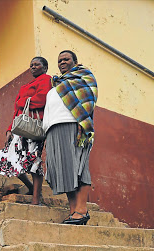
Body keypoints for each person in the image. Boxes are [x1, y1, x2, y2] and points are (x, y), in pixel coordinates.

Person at [0, 57, 52, 205]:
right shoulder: (25, 86)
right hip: (20, 128)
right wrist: (9, 129)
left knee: (34, 161)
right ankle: (31, 187)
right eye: (31, 65)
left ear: (45, 68)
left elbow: (41, 99)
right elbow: (17, 111)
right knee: (10, 160)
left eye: (36, 64)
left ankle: (36, 199)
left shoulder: (47, 79)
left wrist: (22, 102)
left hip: (34, 127)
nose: (33, 67)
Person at [43, 50, 98, 225]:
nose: (62, 62)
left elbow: (89, 99)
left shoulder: (83, 77)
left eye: (66, 59)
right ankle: (73, 211)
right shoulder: (57, 84)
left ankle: (82, 210)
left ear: (75, 61)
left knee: (79, 166)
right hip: (54, 128)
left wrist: (81, 123)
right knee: (65, 169)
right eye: (59, 60)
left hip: (74, 125)